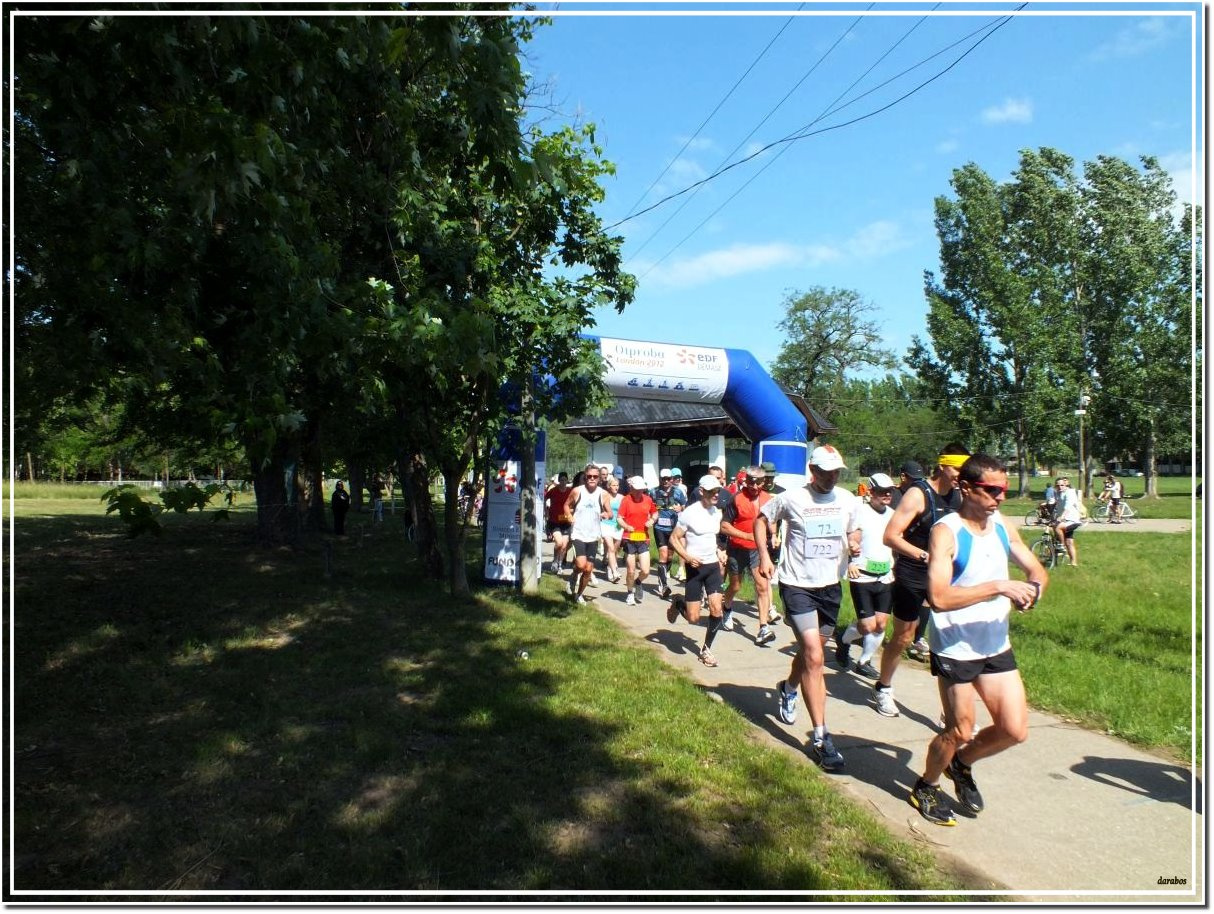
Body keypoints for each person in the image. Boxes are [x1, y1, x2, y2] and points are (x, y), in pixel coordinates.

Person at [907, 453, 1048, 826]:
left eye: (1003, 489)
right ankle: (926, 784)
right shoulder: (947, 532)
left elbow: (1035, 568)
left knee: (1014, 730)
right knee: (959, 729)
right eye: (992, 490)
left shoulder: (1001, 524)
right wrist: (1000, 586)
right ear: (966, 488)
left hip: (995, 643)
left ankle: (961, 763)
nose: (1000, 496)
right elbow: (937, 597)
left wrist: (1033, 590)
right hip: (956, 646)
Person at [754, 445, 858, 772]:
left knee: (810, 653)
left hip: (830, 587)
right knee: (815, 656)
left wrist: (854, 542)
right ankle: (821, 737)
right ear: (812, 471)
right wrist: (767, 557)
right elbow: (761, 520)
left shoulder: (846, 499)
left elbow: (854, 527)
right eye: (825, 472)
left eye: (836, 472)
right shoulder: (792, 499)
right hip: (797, 585)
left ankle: (788, 687)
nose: (832, 477)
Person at [876, 444, 970, 718]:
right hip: (913, 572)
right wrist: (923, 555)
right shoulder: (918, 494)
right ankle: (883, 686)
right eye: (956, 470)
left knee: (950, 638)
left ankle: (949, 710)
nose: (959, 477)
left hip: (944, 575)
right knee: (904, 636)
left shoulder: (959, 497)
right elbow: (890, 536)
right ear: (942, 465)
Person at [835, 473, 896, 678]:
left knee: (881, 624)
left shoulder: (893, 514)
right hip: (861, 575)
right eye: (881, 491)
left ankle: (864, 661)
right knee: (867, 625)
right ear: (871, 492)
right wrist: (850, 560)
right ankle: (844, 641)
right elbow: (848, 536)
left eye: (889, 491)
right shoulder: (859, 512)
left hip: (885, 575)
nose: (886, 495)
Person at [668, 474, 729, 667]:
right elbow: (673, 538)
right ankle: (679, 603)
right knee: (693, 618)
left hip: (712, 567)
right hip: (695, 567)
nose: (716, 495)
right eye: (712, 492)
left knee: (717, 610)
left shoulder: (717, 512)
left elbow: (715, 538)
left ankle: (706, 650)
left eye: (717, 491)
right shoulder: (689, 513)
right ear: (702, 491)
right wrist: (687, 557)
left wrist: (720, 551)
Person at [720, 466, 781, 646]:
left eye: (758, 482)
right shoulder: (736, 499)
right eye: (751, 481)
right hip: (737, 548)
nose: (754, 485)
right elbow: (724, 526)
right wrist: (746, 535)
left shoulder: (769, 499)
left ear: (764, 482)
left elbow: (772, 520)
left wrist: (774, 535)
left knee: (762, 586)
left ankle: (763, 627)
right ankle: (727, 607)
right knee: (736, 585)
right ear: (746, 480)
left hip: (758, 550)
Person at [563, 463, 613, 604]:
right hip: (578, 533)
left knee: (588, 569)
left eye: (595, 477)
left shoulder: (603, 494)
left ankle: (579, 594)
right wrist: (568, 516)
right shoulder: (577, 491)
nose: (592, 479)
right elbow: (566, 505)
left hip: (593, 535)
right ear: (585, 477)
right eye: (589, 476)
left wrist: (606, 514)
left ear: (599, 479)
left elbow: (610, 513)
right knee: (580, 565)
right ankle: (573, 576)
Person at [618, 476, 658, 605]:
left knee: (646, 570)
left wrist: (651, 520)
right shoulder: (626, 500)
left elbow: (655, 513)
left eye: (641, 489)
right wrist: (626, 526)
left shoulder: (648, 500)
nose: (639, 492)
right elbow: (619, 518)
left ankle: (638, 582)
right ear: (631, 488)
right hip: (629, 538)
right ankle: (630, 593)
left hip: (643, 537)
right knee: (631, 569)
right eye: (637, 489)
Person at [651, 469, 687, 598]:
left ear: (671, 479)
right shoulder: (653, 492)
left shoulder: (678, 492)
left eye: (668, 479)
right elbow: (649, 506)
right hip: (659, 527)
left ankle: (664, 573)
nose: (666, 481)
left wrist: (680, 508)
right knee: (663, 554)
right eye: (663, 479)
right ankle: (664, 585)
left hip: (673, 528)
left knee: (670, 556)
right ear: (660, 479)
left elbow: (684, 506)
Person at [544, 473, 574, 573]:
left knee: (564, 545)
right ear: (559, 480)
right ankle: (555, 560)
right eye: (561, 480)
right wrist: (546, 511)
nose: (563, 482)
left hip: (566, 522)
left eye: (565, 480)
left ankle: (560, 564)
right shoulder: (553, 490)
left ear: (567, 480)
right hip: (554, 521)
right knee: (559, 542)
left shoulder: (570, 491)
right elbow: (544, 498)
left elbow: (575, 503)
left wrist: (572, 511)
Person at [1052, 477, 1083, 565]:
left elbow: (1067, 507)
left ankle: (1061, 546)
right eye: (1058, 485)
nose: (1060, 487)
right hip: (1064, 520)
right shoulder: (1057, 493)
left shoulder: (1070, 493)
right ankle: (1073, 563)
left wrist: (1062, 516)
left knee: (1058, 528)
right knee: (1069, 542)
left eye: (1062, 485)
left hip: (1072, 519)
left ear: (1066, 485)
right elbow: (1056, 506)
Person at [600, 475, 624, 584]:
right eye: (614, 485)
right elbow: (600, 508)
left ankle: (610, 567)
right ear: (609, 486)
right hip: (606, 524)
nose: (616, 487)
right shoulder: (605, 496)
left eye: (617, 485)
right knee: (610, 547)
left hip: (618, 526)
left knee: (615, 549)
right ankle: (614, 572)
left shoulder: (622, 497)